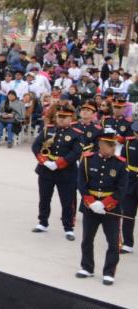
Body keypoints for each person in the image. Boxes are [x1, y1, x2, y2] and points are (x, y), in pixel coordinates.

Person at [75, 136, 127, 285]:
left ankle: (109, 272)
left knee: (113, 242)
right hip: (90, 206)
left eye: (112, 146)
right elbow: (81, 183)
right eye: (108, 146)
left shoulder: (120, 164)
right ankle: (87, 267)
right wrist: (91, 203)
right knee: (87, 239)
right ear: (100, 145)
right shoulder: (87, 160)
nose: (113, 148)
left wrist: (105, 204)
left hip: (110, 209)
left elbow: (122, 189)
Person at [32, 106, 82, 241]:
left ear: (70, 118)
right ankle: (43, 222)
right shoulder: (48, 130)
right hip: (46, 170)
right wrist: (45, 161)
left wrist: (58, 164)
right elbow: (35, 146)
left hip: (66, 172)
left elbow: (76, 153)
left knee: (67, 201)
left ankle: (68, 227)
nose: (60, 119)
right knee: (44, 198)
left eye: (64, 117)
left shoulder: (76, 134)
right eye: (59, 116)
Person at [121, 119, 138, 254]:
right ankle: (127, 243)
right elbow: (122, 162)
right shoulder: (128, 143)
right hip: (131, 181)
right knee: (127, 213)